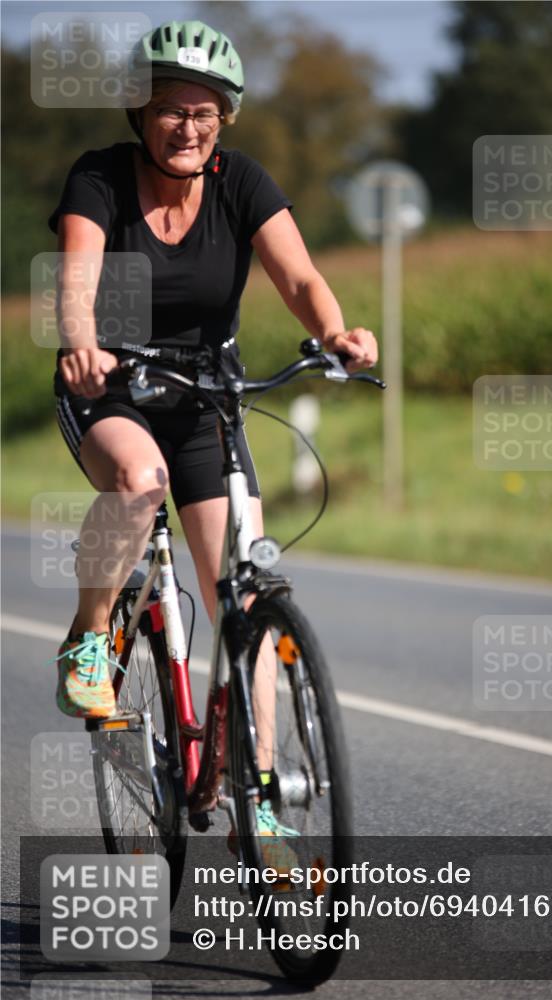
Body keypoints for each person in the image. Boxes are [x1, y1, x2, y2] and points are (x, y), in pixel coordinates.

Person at [49, 18, 377, 793]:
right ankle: (89, 637)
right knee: (140, 482)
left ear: (225, 118)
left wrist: (334, 333)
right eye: (170, 108)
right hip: (110, 387)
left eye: (204, 112)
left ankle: (257, 800)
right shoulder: (99, 178)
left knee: (244, 595)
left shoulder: (242, 182)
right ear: (140, 112)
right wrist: (80, 343)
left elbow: (299, 278)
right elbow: (76, 280)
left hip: (206, 398)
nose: (187, 127)